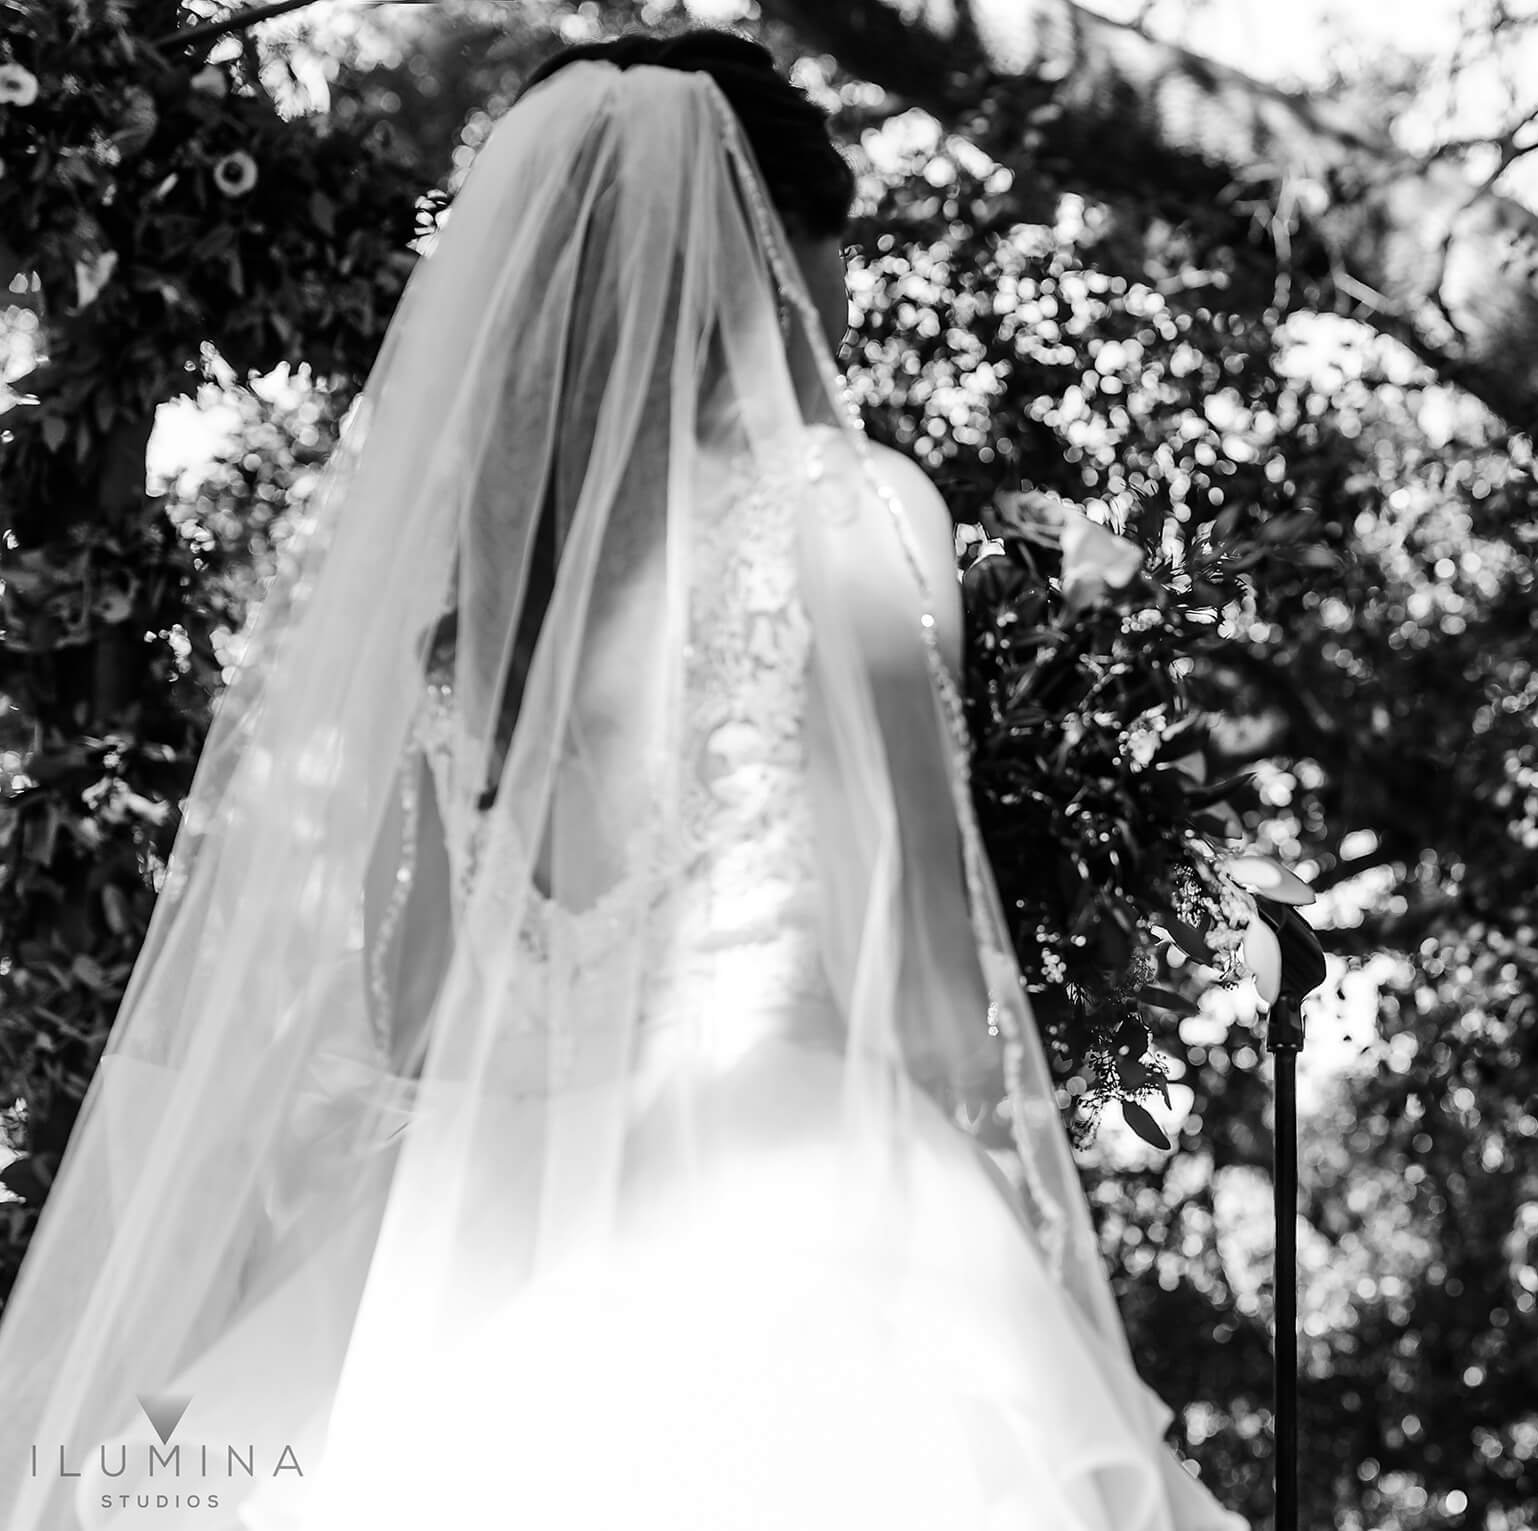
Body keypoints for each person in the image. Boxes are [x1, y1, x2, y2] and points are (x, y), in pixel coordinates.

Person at [0, 32, 1239, 1531]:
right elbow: (923, 996)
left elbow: (411, 1019)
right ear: (764, 250)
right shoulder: (855, 513)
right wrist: (1022, 1277)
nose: (831, 326)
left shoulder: (478, 608)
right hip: (808, 1235)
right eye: (826, 269)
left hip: (487, 1266)